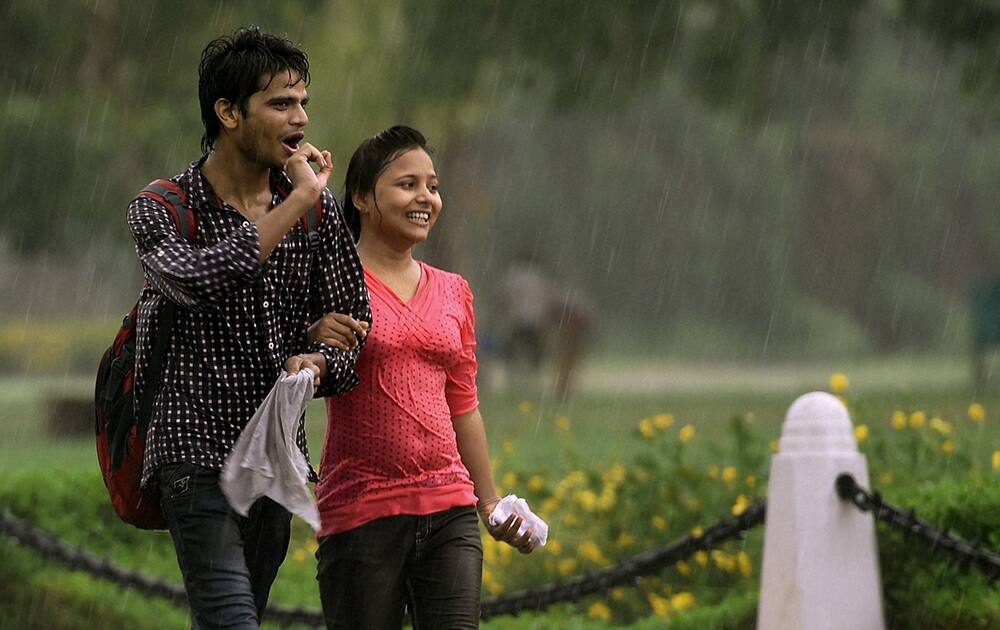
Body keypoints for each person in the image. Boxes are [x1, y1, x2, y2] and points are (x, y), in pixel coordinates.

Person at [126, 27, 370, 629]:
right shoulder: (163, 207)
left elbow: (354, 329)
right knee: (233, 619)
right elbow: (200, 279)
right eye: (281, 104)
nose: (300, 119)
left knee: (237, 617)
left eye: (303, 103)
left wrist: (314, 362)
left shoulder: (319, 211)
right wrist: (294, 204)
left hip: (274, 459)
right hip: (191, 449)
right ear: (228, 113)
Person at [307, 126, 535, 629]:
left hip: (449, 508)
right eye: (407, 184)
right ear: (363, 197)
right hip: (361, 512)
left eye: (432, 186)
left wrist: (489, 499)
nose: (425, 198)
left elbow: (464, 405)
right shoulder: (331, 283)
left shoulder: (454, 291)